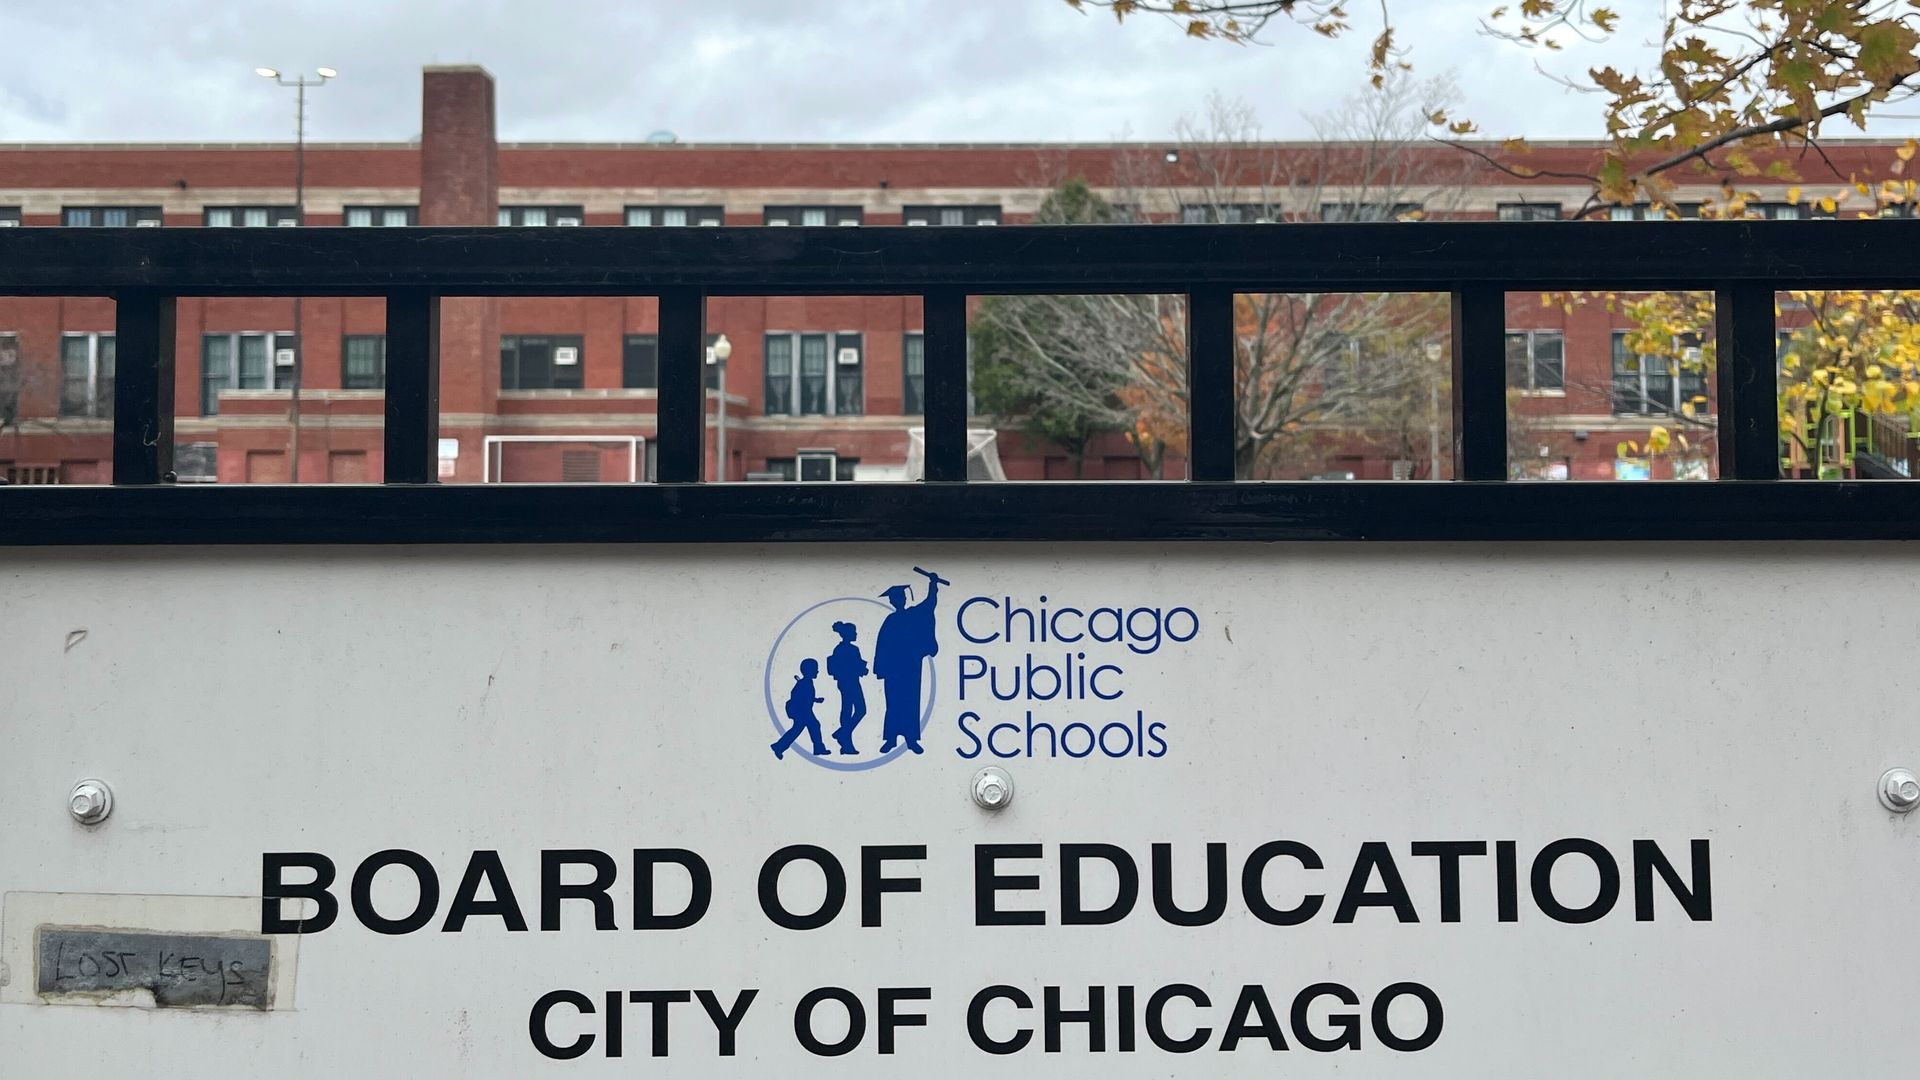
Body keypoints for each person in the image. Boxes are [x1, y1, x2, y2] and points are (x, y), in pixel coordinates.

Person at [873, 567, 945, 754]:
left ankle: (911, 739)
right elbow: (881, 646)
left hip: (911, 666)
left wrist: (933, 585)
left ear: (904, 599)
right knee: (893, 702)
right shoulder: (890, 620)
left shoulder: (914, 614)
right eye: (894, 598)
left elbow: (930, 604)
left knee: (911, 701)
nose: (897, 600)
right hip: (893, 669)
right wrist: (880, 667)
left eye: (900, 597)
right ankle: (890, 738)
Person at [771, 658, 829, 760]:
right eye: (815, 669)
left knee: (804, 728)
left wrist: (815, 700)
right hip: (802, 711)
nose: (817, 671)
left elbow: (807, 696)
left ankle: (779, 746)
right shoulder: (805, 683)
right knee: (810, 726)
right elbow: (798, 697)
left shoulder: (806, 682)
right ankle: (818, 748)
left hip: (804, 711)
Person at [826, 621, 869, 755]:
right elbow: (848, 667)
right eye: (854, 632)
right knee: (852, 709)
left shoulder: (850, 649)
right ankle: (845, 739)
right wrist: (861, 669)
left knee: (853, 710)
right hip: (848, 682)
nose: (856, 634)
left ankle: (843, 735)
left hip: (851, 681)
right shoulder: (845, 649)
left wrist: (862, 669)